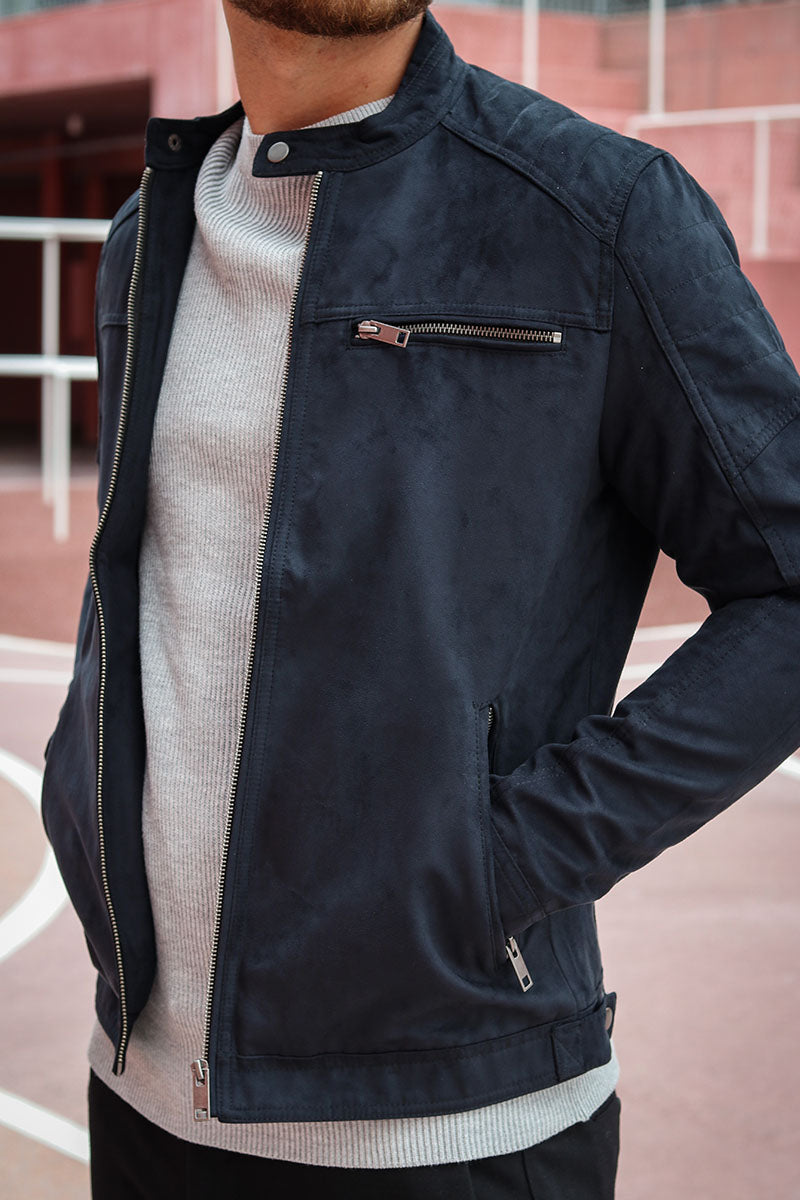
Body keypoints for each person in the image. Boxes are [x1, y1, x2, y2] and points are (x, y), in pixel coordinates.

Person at [41, 2, 800, 1197]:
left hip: (455, 1129)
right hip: (144, 1095)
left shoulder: (596, 215)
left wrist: (500, 861)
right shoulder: (152, 233)